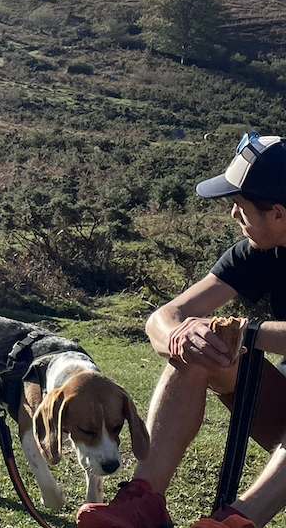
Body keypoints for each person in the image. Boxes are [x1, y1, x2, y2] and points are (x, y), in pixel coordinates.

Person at [76, 131, 286, 528]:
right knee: (195, 346)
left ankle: (240, 520)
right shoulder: (263, 248)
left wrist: (247, 331)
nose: (233, 215)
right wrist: (180, 335)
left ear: (277, 213)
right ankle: (144, 501)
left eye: (240, 205)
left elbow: (247, 332)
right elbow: (164, 315)